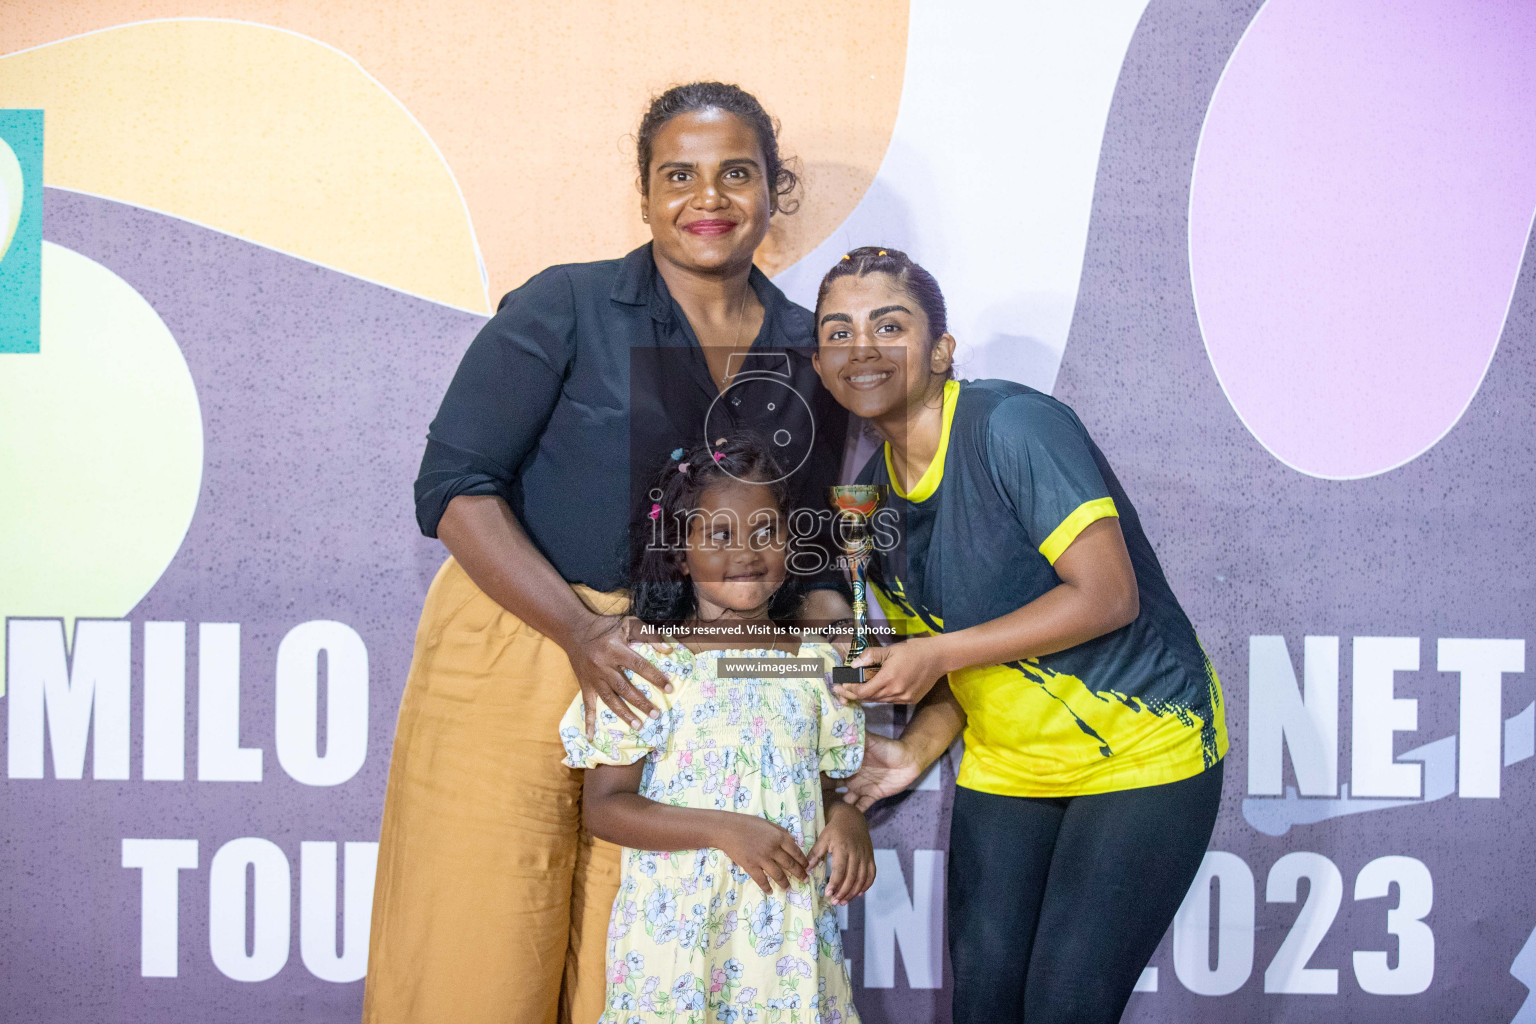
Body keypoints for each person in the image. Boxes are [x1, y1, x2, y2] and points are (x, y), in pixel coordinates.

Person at [363, 84, 851, 1024]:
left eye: (735, 173)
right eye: (679, 174)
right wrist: (580, 629)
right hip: (520, 641)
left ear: (773, 190)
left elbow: (808, 548)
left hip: (691, 683)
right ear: (643, 193)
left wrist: (841, 684)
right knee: (476, 946)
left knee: (642, 966)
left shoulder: (802, 346)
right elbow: (454, 488)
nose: (707, 197)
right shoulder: (569, 303)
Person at [811, 248, 1228, 1024]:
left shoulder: (1012, 424)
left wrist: (934, 654)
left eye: (888, 325)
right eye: (838, 331)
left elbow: (1108, 596)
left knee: (1066, 1006)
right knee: (985, 1007)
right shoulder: (867, 500)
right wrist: (913, 749)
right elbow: (965, 667)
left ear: (941, 350)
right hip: (1008, 769)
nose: (860, 346)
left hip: (1144, 752)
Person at [561, 437, 870, 1023]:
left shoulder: (816, 664)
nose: (746, 552)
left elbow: (825, 789)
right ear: (680, 552)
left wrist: (849, 819)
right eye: (720, 536)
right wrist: (724, 830)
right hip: (675, 942)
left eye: (764, 533)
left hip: (785, 943)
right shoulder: (650, 663)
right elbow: (603, 808)